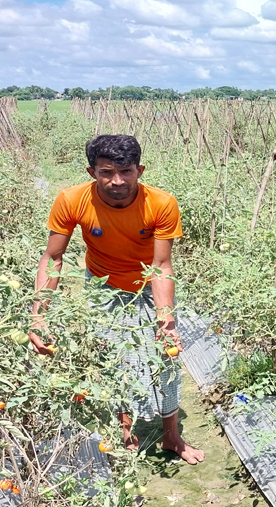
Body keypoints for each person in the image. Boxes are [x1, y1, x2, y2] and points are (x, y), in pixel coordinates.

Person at [28, 134, 204, 465]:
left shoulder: (161, 204)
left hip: (148, 282)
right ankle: (128, 432)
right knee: (114, 359)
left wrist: (165, 320)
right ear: (92, 171)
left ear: (140, 170)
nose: (117, 181)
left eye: (125, 172)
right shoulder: (71, 200)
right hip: (102, 284)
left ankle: (172, 437)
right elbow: (53, 258)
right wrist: (39, 315)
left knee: (166, 357)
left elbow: (161, 266)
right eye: (106, 172)